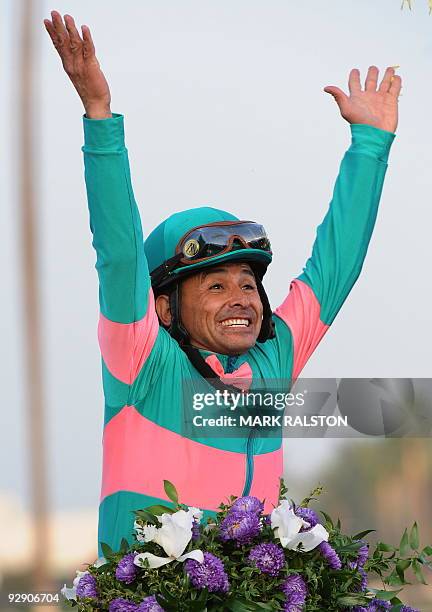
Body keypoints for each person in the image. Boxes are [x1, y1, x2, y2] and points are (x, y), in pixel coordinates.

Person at [44, 11, 401, 555]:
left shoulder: (273, 356)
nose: (241, 298)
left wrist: (370, 145)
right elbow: (118, 255)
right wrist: (100, 117)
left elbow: (336, 266)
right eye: (214, 286)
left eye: (247, 283)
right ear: (164, 309)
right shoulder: (141, 362)